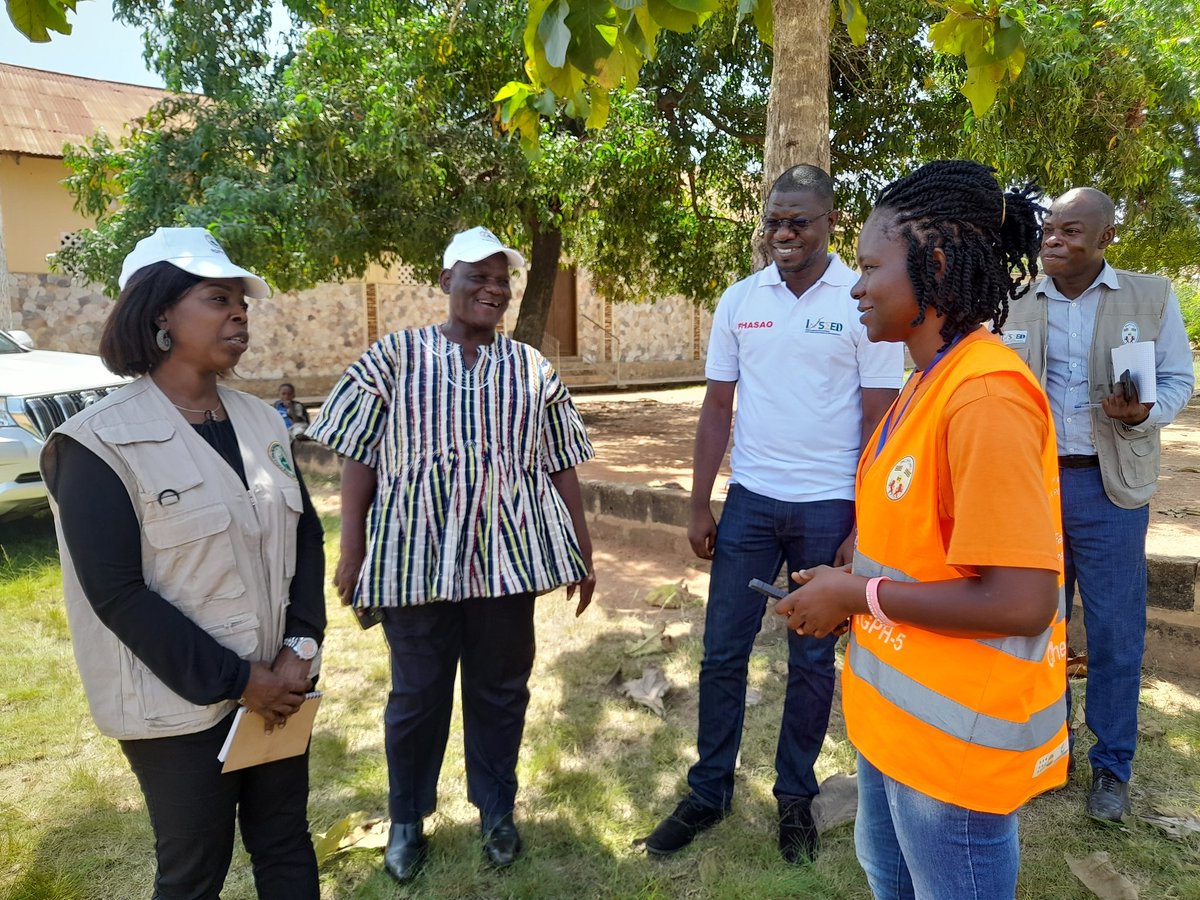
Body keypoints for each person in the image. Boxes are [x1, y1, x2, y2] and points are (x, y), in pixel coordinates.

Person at [775, 160, 1068, 899]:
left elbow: (1021, 603)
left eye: (871, 266)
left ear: (933, 267)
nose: (856, 285)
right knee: (888, 879)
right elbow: (913, 554)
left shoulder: (985, 398)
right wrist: (845, 592)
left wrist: (858, 595)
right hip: (893, 725)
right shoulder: (926, 381)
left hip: (953, 749)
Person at [40, 227, 326, 899]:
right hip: (174, 708)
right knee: (194, 870)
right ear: (160, 311)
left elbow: (304, 538)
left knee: (285, 841)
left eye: (243, 303)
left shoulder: (262, 423)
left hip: (280, 687)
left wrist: (300, 646)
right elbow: (116, 593)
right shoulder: (97, 443)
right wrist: (237, 679)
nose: (239, 314)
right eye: (218, 298)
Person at [306, 225, 597, 884]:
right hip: (415, 562)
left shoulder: (531, 366)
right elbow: (357, 451)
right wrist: (351, 547)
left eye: (503, 281)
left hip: (507, 561)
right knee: (416, 696)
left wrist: (582, 546)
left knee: (500, 692)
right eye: (479, 277)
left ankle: (496, 809)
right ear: (445, 282)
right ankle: (407, 817)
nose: (492, 290)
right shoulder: (393, 357)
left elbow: (563, 462)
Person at [637, 165, 903, 863]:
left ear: (829, 223)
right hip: (751, 503)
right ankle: (709, 790)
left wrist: (860, 524)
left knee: (812, 659)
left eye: (799, 222)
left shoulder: (859, 299)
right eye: (774, 220)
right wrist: (701, 502)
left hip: (828, 509)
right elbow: (718, 405)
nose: (783, 234)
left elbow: (881, 422)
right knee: (722, 650)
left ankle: (795, 798)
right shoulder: (739, 300)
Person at [1005, 187, 1195, 822]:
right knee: (1040, 625)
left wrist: (1146, 414)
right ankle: (1047, 751)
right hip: (1032, 490)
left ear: (1106, 239)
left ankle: (1112, 768)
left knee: (1116, 634)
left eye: (1073, 230)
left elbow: (1177, 379)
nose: (1055, 239)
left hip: (1110, 489)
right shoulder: (1012, 301)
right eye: (1050, 228)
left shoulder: (1150, 295)